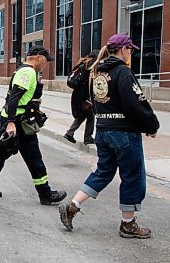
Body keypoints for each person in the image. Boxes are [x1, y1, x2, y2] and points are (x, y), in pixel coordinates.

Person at [59, 34, 159, 239]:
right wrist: (151, 124)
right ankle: (128, 224)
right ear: (122, 50)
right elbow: (135, 104)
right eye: (130, 49)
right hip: (123, 133)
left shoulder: (97, 72)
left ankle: (73, 206)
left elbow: (95, 102)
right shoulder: (122, 71)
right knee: (132, 176)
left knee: (103, 171)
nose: (131, 53)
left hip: (103, 130)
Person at [0, 45, 67, 206]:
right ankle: (45, 194)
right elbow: (15, 98)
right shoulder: (28, 72)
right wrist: (12, 123)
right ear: (39, 57)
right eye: (46, 60)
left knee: (0, 155)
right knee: (34, 158)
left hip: (11, 119)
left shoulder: (22, 70)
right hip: (19, 123)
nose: (46, 64)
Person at [63, 50, 99, 145]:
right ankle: (87, 138)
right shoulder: (90, 64)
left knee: (83, 114)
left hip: (77, 94)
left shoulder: (82, 63)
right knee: (90, 114)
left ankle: (70, 133)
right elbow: (89, 82)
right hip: (83, 95)